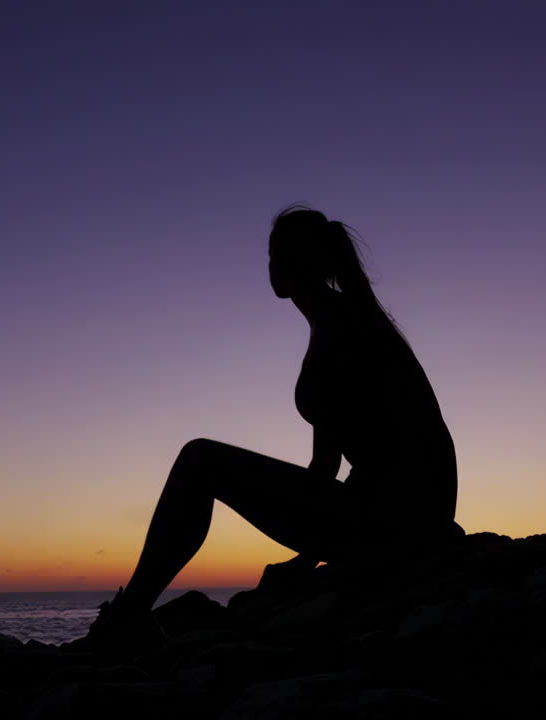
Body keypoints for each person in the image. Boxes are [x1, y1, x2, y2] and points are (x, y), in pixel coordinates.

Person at [83, 205, 460, 649]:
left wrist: (310, 556)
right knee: (201, 460)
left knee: (200, 460)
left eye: (280, 255)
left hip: (396, 523)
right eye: (271, 255)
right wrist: (307, 558)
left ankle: (131, 613)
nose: (272, 265)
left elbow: (345, 466)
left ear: (309, 262)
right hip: (405, 517)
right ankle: (133, 611)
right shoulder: (340, 320)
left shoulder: (344, 329)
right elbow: (343, 457)